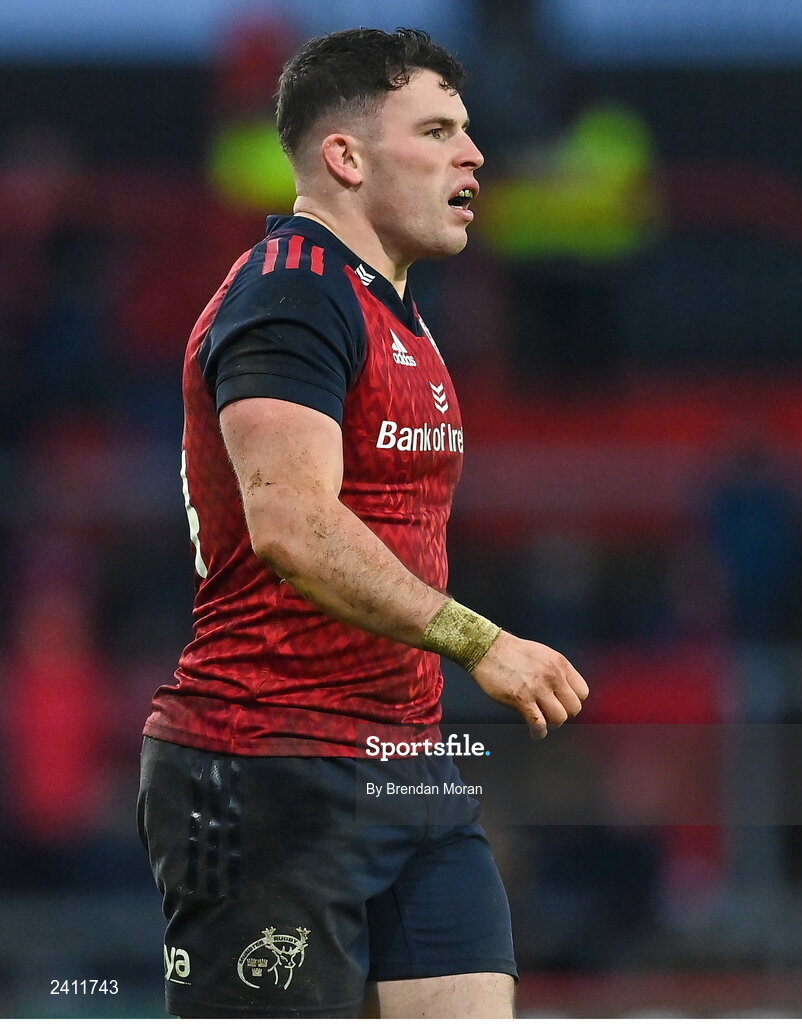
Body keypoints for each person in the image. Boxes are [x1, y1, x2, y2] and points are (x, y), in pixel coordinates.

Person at [138, 27, 589, 1019]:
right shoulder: (292, 293)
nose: (472, 154)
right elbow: (293, 525)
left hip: (403, 762)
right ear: (344, 157)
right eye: (436, 130)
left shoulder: (402, 312)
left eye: (467, 130)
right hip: (266, 765)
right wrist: (481, 639)